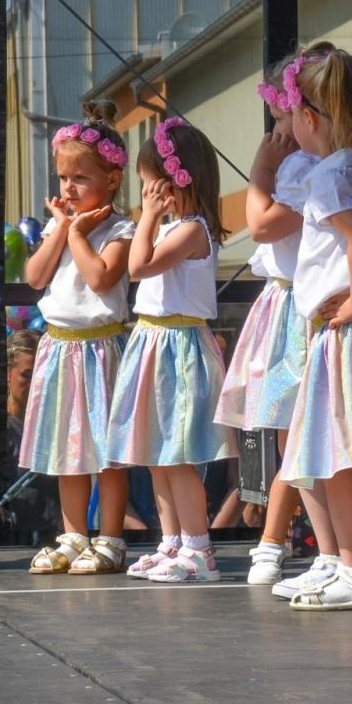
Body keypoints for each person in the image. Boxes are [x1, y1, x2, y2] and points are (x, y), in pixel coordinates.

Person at [271, 47, 352, 612]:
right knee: (341, 453)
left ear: (311, 119)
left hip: (345, 329)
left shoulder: (328, 178)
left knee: (338, 455)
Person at [105, 118, 236, 582]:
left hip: (178, 346)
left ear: (174, 182)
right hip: (152, 340)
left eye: (148, 184)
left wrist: (147, 217)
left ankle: (199, 549)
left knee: (178, 455)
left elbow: (137, 267)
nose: (145, 194)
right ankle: (171, 541)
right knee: (156, 454)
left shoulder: (191, 230)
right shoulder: (168, 227)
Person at [218, 56, 329, 588]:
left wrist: (261, 169)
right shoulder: (298, 166)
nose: (276, 131)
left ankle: (277, 540)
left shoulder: (307, 170)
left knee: (300, 431)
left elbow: (261, 224)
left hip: (301, 307)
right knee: (287, 430)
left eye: (283, 118)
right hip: (281, 303)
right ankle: (294, 540)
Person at [18, 105, 137, 576]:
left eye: (79, 178)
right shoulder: (62, 225)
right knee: (67, 450)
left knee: (105, 452)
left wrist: (80, 235)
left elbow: (102, 278)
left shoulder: (120, 230)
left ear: (111, 178)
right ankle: (73, 535)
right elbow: (34, 276)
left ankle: (110, 537)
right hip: (58, 346)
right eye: (63, 178)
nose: (68, 188)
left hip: (99, 347)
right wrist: (62, 230)